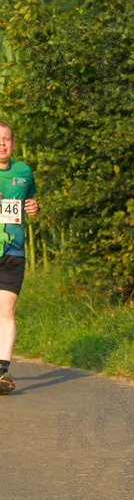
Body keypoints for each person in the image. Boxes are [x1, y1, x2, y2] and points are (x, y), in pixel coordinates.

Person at [0, 121, 40, 395]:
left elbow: (32, 200)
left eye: (6, 139)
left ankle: (2, 371)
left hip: (14, 252)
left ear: (13, 144)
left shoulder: (23, 171)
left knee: (6, 309)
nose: (2, 143)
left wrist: (35, 206)